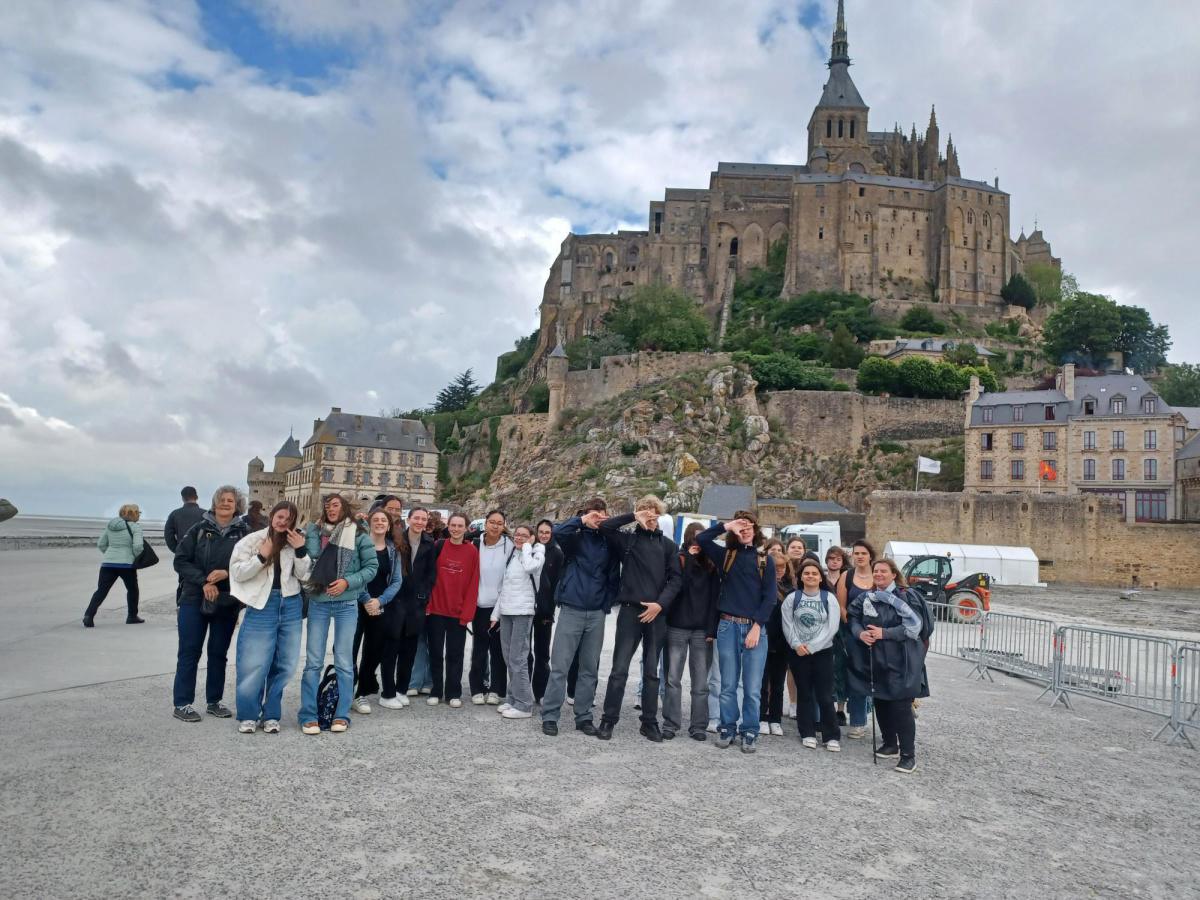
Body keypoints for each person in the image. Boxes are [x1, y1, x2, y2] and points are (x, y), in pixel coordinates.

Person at [597, 495, 681, 742]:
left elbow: (676, 580)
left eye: (653, 511)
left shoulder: (668, 546)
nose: (650, 515)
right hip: (630, 611)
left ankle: (649, 723)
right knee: (619, 669)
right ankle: (608, 720)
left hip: (656, 613)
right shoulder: (627, 540)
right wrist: (635, 516)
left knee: (652, 673)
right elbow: (605, 526)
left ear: (660, 515)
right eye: (645, 511)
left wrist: (660, 604)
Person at [540, 498, 620, 738]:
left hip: (596, 612)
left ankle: (584, 717)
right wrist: (582, 520)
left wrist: (606, 603)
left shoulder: (610, 541)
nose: (598, 518)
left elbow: (614, 576)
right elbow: (557, 532)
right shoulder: (574, 537)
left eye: (601, 514)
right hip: (571, 609)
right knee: (560, 667)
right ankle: (550, 715)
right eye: (593, 514)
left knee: (589, 669)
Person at [696, 510, 775, 754]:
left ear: (756, 529)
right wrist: (726, 525)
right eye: (740, 526)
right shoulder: (726, 556)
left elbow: (769, 597)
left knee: (752, 687)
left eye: (749, 525)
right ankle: (727, 727)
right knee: (728, 684)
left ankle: (749, 730)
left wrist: (757, 626)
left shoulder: (765, 560)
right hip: (728, 625)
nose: (745, 529)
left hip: (753, 628)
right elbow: (702, 540)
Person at [298, 494, 378, 734]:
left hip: (346, 603)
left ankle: (341, 714)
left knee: (344, 661)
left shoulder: (358, 533)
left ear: (344, 508)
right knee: (313, 661)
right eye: (327, 505)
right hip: (319, 601)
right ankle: (308, 714)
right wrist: (309, 532)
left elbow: (371, 567)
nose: (330, 509)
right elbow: (310, 559)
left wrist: (347, 582)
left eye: (335, 505)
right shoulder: (315, 530)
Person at [230, 501, 311, 733]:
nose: (283, 521)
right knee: (254, 662)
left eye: (288, 519)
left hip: (291, 603)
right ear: (272, 515)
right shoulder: (253, 540)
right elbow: (237, 572)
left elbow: (304, 576)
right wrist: (261, 557)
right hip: (262, 604)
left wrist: (301, 551)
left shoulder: (296, 540)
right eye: (280, 516)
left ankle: (271, 714)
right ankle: (248, 714)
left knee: (285, 663)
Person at [171, 487, 251, 722]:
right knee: (189, 651)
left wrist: (226, 573)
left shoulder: (245, 534)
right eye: (221, 500)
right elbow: (181, 561)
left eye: (231, 500)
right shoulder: (199, 529)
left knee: (218, 653)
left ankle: (214, 701)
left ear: (237, 506)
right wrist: (204, 580)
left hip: (227, 601)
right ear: (214, 503)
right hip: (194, 598)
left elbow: (252, 566)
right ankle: (182, 703)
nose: (226, 503)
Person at [847, 558, 929, 774]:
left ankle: (908, 755)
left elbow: (915, 628)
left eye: (884, 571)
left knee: (901, 707)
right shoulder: (867, 597)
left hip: (902, 659)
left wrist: (886, 633)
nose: (879, 574)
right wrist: (860, 633)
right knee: (880, 701)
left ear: (894, 574)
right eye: (876, 571)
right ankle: (890, 743)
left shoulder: (906, 597)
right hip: (875, 659)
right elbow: (853, 618)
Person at [663, 522, 720, 741]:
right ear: (687, 538)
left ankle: (698, 725)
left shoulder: (712, 564)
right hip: (677, 626)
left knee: (700, 683)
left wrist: (711, 628)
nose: (698, 542)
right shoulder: (679, 558)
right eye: (694, 538)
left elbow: (715, 597)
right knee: (672, 679)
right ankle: (671, 723)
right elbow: (679, 586)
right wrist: (688, 558)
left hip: (701, 629)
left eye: (701, 538)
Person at [379, 507, 438, 708]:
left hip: (416, 603)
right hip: (396, 600)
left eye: (423, 519)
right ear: (409, 519)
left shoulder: (430, 544)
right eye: (416, 518)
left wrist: (423, 597)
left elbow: (431, 575)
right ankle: (387, 692)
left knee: (409, 649)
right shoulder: (397, 540)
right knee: (391, 648)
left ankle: (401, 689)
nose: (420, 522)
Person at [782, 557, 842, 751]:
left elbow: (831, 627)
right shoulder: (793, 598)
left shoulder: (829, 598)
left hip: (822, 652)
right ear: (800, 577)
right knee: (805, 694)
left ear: (820, 577)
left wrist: (814, 647)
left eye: (814, 573)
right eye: (806, 573)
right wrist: (796, 644)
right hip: (799, 653)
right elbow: (787, 623)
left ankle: (831, 735)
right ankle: (807, 732)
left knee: (825, 695)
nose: (810, 576)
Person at [350, 509, 404, 715]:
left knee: (373, 652)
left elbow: (397, 580)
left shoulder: (393, 550)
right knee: (350, 650)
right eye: (376, 520)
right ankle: (348, 692)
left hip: (379, 606)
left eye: (384, 520)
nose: (380, 523)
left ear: (389, 525)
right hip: (356, 603)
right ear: (369, 523)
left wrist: (379, 601)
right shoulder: (359, 545)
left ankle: (362, 692)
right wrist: (366, 600)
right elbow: (353, 574)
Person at [491, 524, 545, 720]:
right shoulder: (513, 554)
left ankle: (524, 704)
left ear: (532, 537)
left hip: (523, 611)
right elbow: (505, 586)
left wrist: (529, 547)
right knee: (508, 657)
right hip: (507, 611)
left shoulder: (537, 552)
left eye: (524, 535)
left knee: (518, 658)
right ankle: (513, 699)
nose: (519, 538)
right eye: (517, 535)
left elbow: (530, 568)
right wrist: (495, 614)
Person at [423, 512, 478, 708]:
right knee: (436, 652)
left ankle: (453, 692)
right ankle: (436, 690)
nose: (455, 529)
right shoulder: (439, 546)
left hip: (457, 612)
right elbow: (429, 578)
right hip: (436, 610)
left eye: (459, 525)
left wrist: (467, 613)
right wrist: (428, 605)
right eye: (453, 525)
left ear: (466, 528)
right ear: (448, 527)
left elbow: (473, 584)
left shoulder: (472, 552)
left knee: (455, 654)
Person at [470, 510, 512, 705]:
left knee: (497, 650)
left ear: (504, 526)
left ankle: (496, 689)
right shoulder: (474, 544)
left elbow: (510, 579)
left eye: (499, 523)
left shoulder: (510, 546)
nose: (495, 526)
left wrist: (501, 606)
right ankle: (477, 687)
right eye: (492, 522)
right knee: (479, 649)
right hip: (479, 605)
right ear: (485, 524)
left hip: (500, 606)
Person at [836, 540, 876, 739]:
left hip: (877, 634)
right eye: (856, 553)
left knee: (879, 676)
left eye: (863, 553)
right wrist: (853, 627)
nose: (859, 556)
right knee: (856, 675)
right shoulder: (847, 576)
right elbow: (841, 606)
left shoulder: (878, 575)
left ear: (870, 555)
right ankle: (858, 721)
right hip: (851, 634)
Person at [83, 503, 146, 627]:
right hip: (126, 565)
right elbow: (138, 546)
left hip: (108, 564)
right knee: (132, 590)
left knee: (101, 590)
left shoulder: (110, 525)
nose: (139, 515)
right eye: (138, 513)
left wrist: (110, 555)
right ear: (133, 514)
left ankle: (89, 615)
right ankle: (132, 616)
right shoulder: (135, 527)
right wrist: (135, 558)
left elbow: (101, 544)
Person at [759, 538, 795, 737]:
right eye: (776, 567)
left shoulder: (791, 589)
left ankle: (775, 718)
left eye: (783, 567)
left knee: (779, 683)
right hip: (765, 638)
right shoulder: (761, 587)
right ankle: (762, 717)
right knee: (762, 683)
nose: (780, 571)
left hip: (783, 642)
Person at [530, 519, 566, 704]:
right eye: (541, 531)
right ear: (536, 532)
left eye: (547, 532)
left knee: (542, 653)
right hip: (526, 607)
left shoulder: (557, 554)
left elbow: (556, 585)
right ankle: (523, 690)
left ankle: (541, 691)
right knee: (524, 652)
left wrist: (551, 609)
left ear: (552, 534)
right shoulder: (530, 549)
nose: (544, 535)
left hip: (545, 610)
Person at [823, 545, 851, 726]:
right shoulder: (821, 578)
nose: (834, 561)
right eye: (832, 558)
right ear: (826, 560)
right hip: (825, 626)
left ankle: (841, 709)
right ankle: (828, 707)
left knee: (842, 668)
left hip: (843, 627)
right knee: (827, 668)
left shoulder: (846, 578)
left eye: (838, 559)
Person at [164, 486, 204, 555]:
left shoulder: (174, 514)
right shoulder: (206, 514)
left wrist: (177, 550)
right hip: (202, 554)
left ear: (182, 498)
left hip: (182, 553)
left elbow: (168, 536)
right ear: (196, 497)